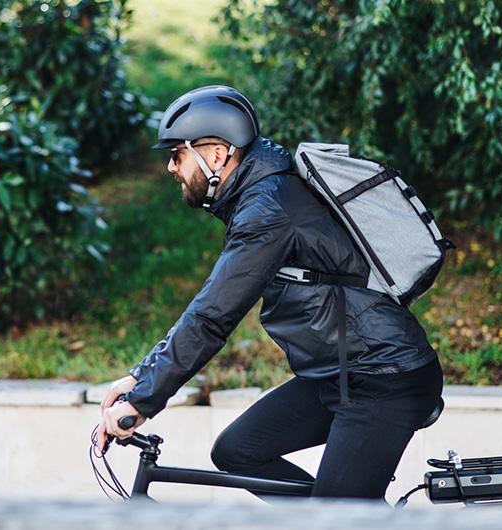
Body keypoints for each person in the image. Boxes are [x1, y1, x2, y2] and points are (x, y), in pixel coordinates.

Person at [96, 85, 443, 500]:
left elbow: (212, 316)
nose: (171, 167)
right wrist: (140, 376)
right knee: (239, 451)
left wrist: (145, 398)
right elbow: (209, 309)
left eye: (177, 154)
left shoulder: (267, 209)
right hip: (339, 373)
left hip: (383, 378)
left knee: (335, 520)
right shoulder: (261, 197)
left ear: (217, 155)